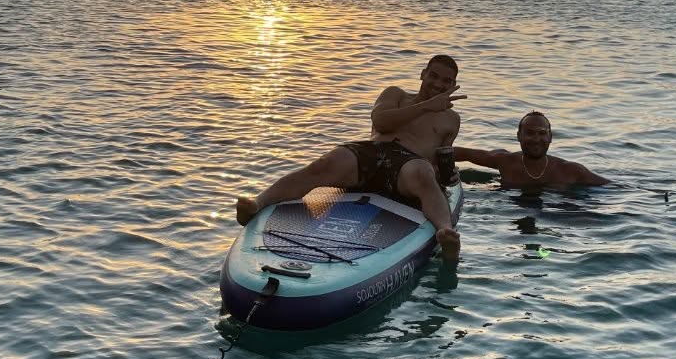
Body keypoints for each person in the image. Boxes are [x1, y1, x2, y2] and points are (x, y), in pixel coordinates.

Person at [235, 54, 465, 260]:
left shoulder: (451, 120)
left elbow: (440, 159)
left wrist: (447, 175)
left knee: (423, 173)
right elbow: (381, 122)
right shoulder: (396, 94)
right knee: (323, 164)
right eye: (433, 76)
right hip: (370, 152)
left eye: (446, 81)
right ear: (423, 74)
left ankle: (446, 233)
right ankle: (258, 204)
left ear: (452, 85)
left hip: (409, 165)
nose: (438, 84)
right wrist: (425, 106)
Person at [453, 111, 616, 189]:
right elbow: (464, 153)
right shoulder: (504, 161)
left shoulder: (571, 171)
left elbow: (612, 188)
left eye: (542, 133)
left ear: (550, 137)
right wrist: (430, 161)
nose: (536, 139)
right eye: (530, 133)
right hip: (513, 210)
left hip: (556, 213)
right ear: (519, 136)